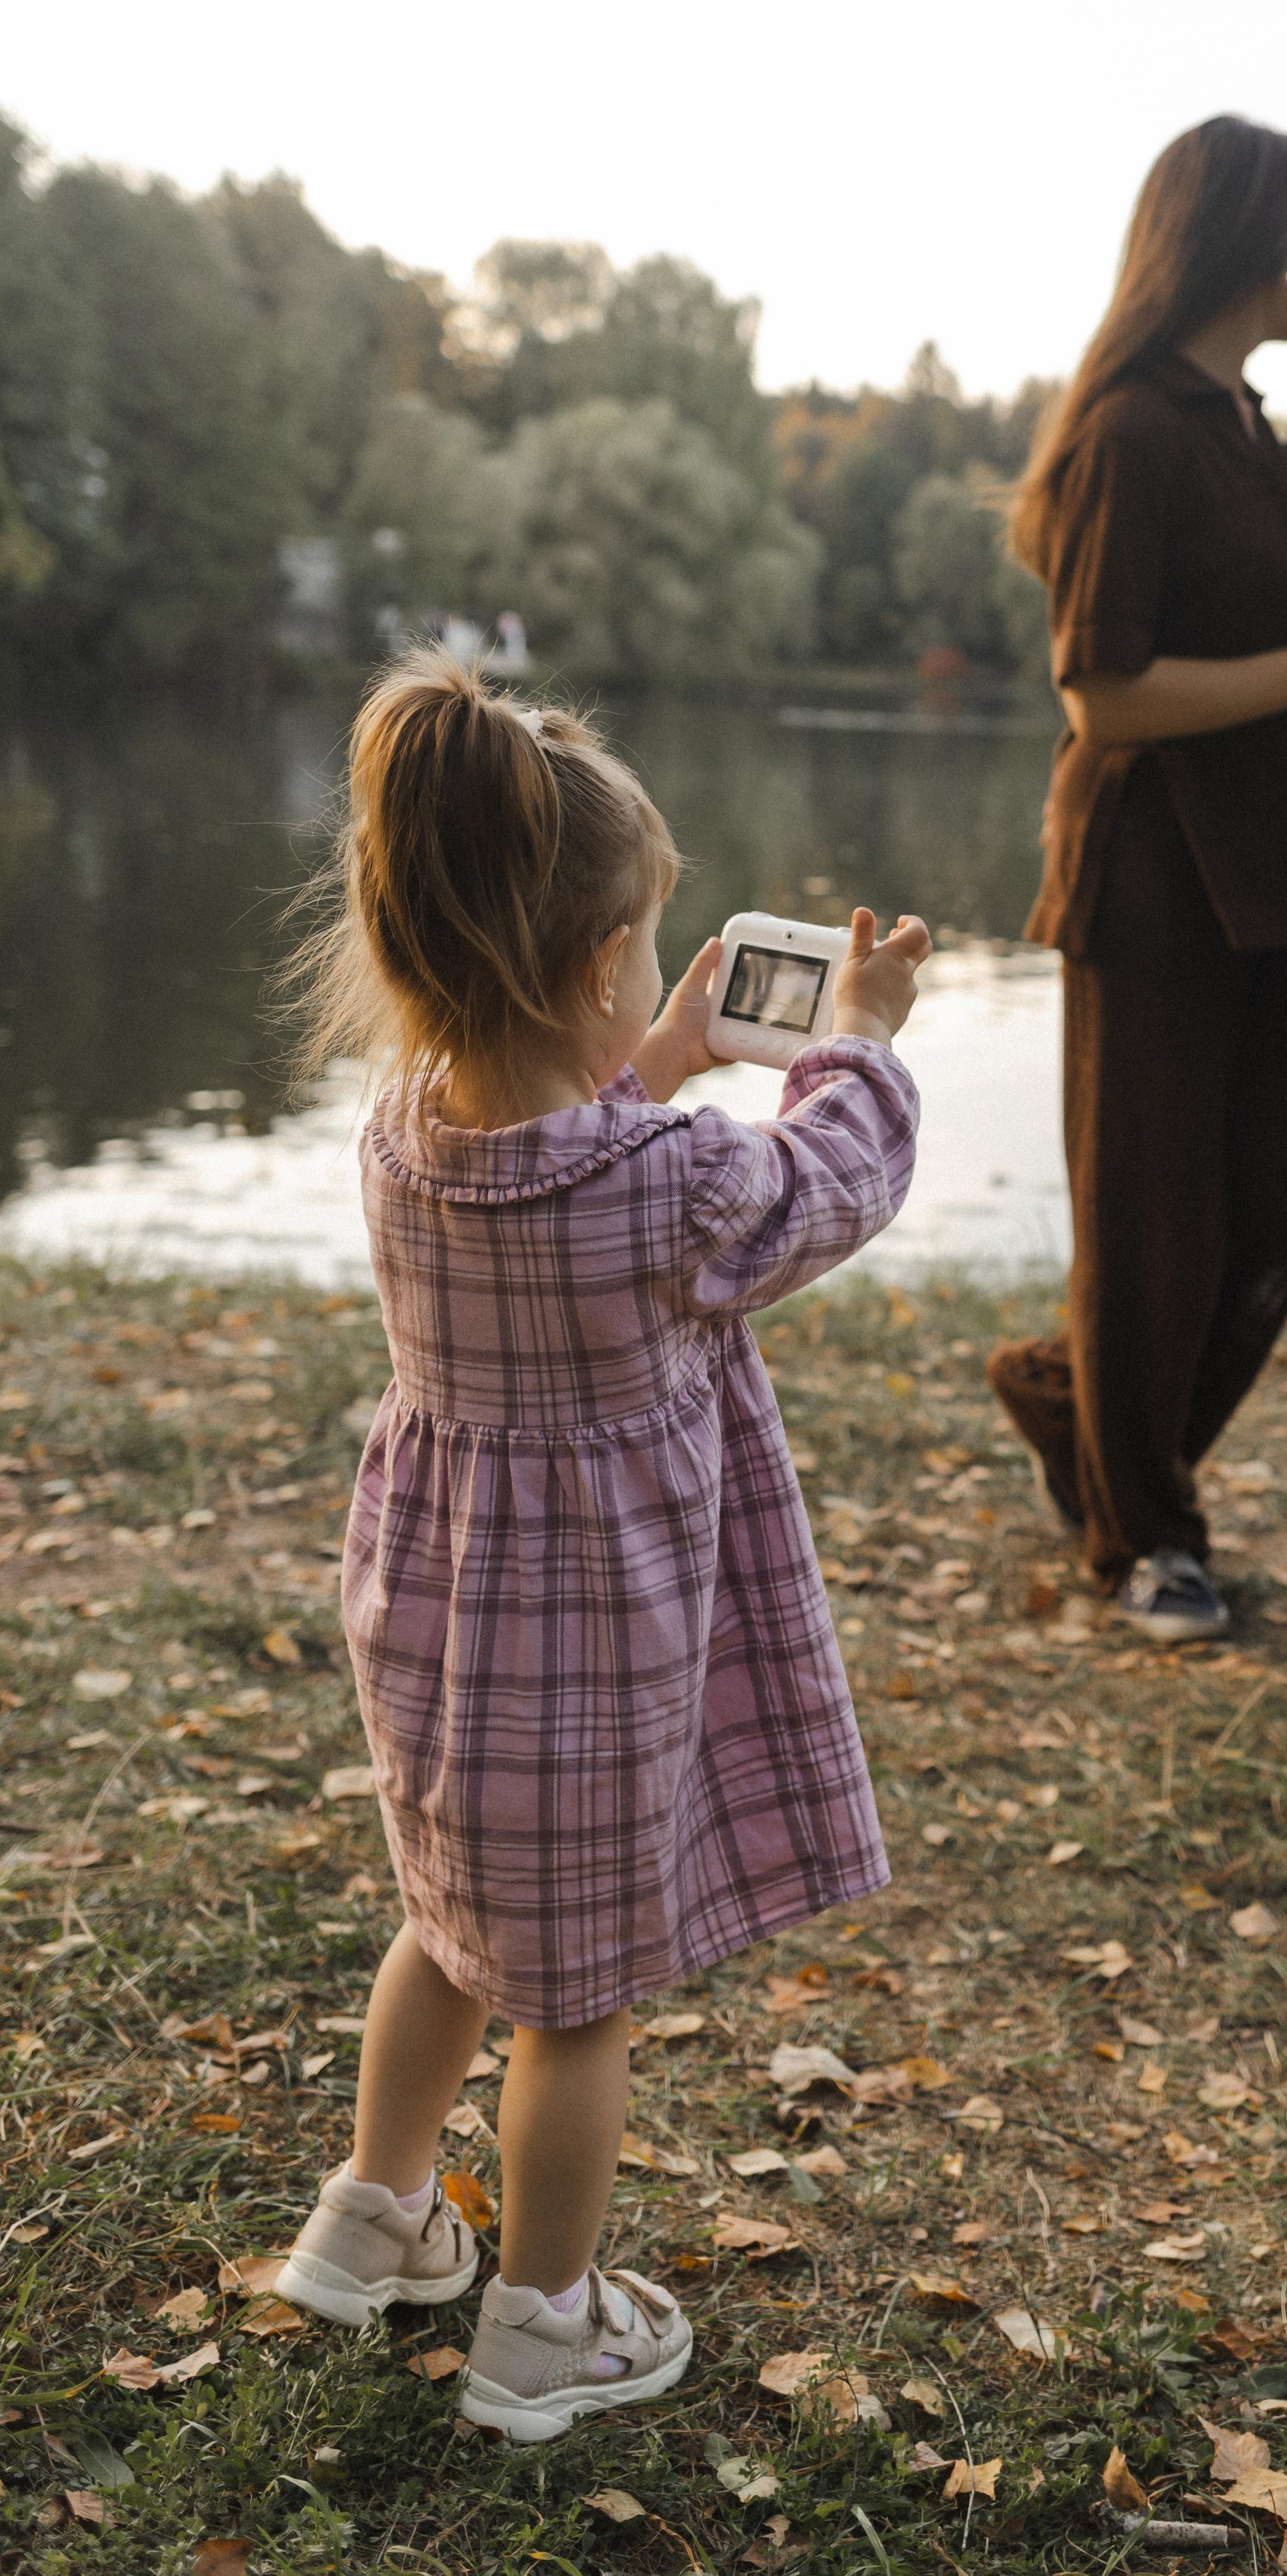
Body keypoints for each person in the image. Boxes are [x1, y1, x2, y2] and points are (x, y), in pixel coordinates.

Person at [272, 653, 928, 2438]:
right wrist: (850, 1041)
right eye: (640, 950)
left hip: (432, 1624)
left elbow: (560, 1119)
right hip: (595, 1646)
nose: (655, 978)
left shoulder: (407, 1135)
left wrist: (674, 1048)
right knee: (576, 2003)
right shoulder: (673, 1191)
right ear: (582, 968)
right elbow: (827, 1189)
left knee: (446, 1926)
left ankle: (370, 2220)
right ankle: (546, 2331)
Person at [987, 116, 1287, 1640]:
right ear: (1252, 248)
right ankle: (1150, 1543)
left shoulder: (1246, 425)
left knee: (1275, 1207)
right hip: (1154, 879)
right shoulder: (1131, 430)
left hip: (1271, 884)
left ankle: (1079, 1412)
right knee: (1152, 1226)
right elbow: (1100, 697)